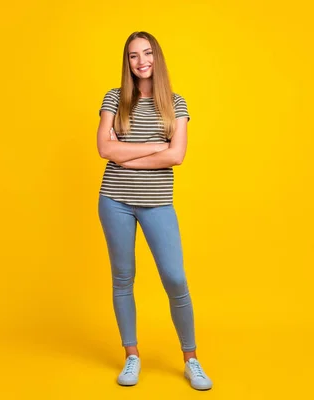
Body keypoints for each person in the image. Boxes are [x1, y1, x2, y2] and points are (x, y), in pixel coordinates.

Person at [96, 31, 213, 391]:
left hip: (157, 202)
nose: (141, 61)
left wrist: (125, 155)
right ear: (127, 62)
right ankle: (132, 355)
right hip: (114, 200)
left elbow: (176, 155)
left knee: (175, 278)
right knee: (123, 277)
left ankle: (191, 359)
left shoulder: (176, 104)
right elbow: (103, 148)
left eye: (147, 53)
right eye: (133, 56)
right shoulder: (114, 99)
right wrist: (153, 147)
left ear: (157, 58)